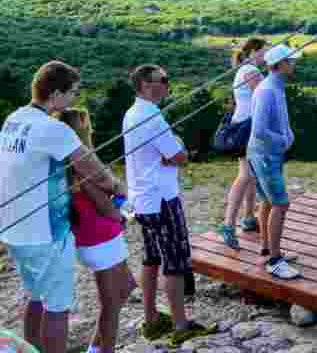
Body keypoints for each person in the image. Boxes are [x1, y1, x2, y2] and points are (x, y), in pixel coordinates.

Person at [1, 61, 123, 353]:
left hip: (14, 229)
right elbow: (96, 173)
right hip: (47, 233)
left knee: (34, 296)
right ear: (55, 93)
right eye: (72, 93)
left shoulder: (14, 119)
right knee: (57, 306)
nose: (74, 100)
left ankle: (30, 349)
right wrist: (116, 187)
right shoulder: (53, 129)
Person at [123, 64, 207, 341]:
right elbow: (180, 155)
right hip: (162, 198)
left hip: (141, 199)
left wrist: (171, 153)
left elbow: (168, 153)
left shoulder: (132, 113)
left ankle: (152, 319)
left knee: (151, 258)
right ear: (147, 85)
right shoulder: (151, 116)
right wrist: (176, 152)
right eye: (164, 80)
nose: (168, 85)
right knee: (175, 260)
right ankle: (180, 327)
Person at [58, 108, 137, 353]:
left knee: (126, 287)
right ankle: (103, 350)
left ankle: (94, 347)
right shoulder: (81, 165)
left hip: (92, 236)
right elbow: (105, 206)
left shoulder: (63, 163)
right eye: (87, 125)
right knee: (111, 303)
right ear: (81, 130)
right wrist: (120, 214)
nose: (91, 128)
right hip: (100, 239)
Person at [248, 44, 301, 280]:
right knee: (281, 203)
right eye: (291, 61)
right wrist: (283, 139)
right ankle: (275, 260)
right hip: (266, 155)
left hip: (266, 154)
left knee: (268, 201)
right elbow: (259, 130)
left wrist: (287, 133)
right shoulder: (268, 90)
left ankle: (267, 248)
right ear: (279, 65)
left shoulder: (273, 87)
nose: (294, 64)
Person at [220, 38, 268, 249]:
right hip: (248, 128)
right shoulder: (251, 71)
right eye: (263, 52)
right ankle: (228, 224)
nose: (265, 56)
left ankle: (249, 217)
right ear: (252, 53)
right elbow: (264, 98)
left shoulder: (244, 69)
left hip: (243, 124)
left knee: (250, 174)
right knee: (246, 175)